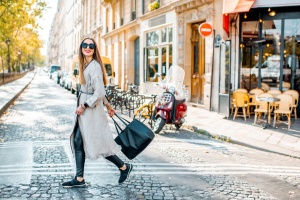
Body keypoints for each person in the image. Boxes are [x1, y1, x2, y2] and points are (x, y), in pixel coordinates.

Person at [62, 37, 133, 188]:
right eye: (85, 45)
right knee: (78, 141)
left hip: (90, 111)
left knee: (98, 144)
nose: (88, 47)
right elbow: (100, 92)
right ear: (81, 48)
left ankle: (123, 167)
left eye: (91, 45)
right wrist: (108, 105)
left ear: (94, 49)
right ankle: (80, 178)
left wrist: (84, 105)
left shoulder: (94, 67)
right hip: (88, 110)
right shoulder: (85, 65)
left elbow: (99, 93)